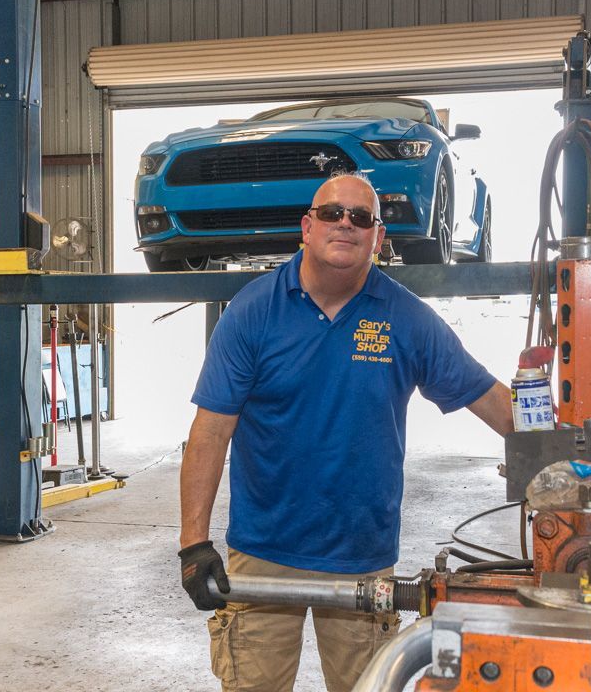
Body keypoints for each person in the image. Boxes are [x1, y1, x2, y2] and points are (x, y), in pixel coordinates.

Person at [178, 172, 513, 692]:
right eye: (333, 213)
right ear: (307, 228)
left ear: (378, 238)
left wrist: (572, 444)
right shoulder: (252, 312)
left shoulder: (406, 318)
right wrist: (192, 543)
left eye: (361, 218)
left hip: (362, 557)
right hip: (265, 554)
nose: (346, 225)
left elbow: (490, 399)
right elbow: (210, 432)